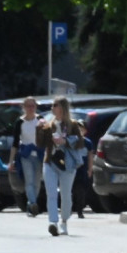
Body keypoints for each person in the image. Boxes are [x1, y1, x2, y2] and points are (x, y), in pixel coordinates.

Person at [37, 96, 83, 237]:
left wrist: (65, 141)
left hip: (68, 164)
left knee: (66, 194)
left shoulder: (73, 125)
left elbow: (80, 143)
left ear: (62, 107)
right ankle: (53, 222)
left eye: (55, 105)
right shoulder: (48, 125)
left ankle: (64, 221)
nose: (52, 107)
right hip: (50, 162)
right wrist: (39, 129)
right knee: (51, 193)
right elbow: (40, 144)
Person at [8, 96, 44, 217]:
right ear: (23, 108)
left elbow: (46, 137)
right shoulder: (20, 122)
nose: (30, 108)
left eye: (32, 106)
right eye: (28, 106)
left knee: (37, 181)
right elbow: (15, 143)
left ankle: (30, 204)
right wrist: (11, 161)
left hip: (38, 153)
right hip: (25, 154)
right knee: (29, 180)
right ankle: (33, 203)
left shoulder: (40, 120)